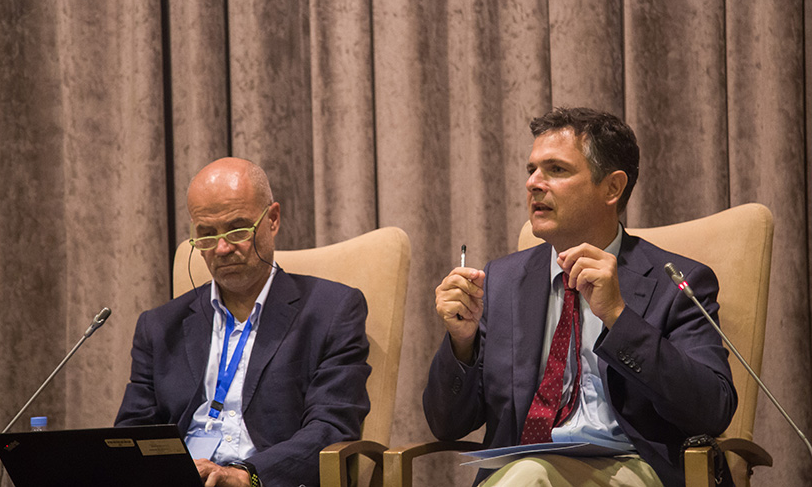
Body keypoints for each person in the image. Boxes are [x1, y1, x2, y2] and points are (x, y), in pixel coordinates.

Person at [423, 107, 736, 487]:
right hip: (522, 468)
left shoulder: (677, 283)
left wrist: (620, 317)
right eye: (532, 170)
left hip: (634, 467)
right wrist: (461, 343)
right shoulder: (503, 281)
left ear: (612, 188)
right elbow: (447, 424)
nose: (534, 184)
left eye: (556, 170)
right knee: (529, 474)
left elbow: (713, 409)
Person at [115, 157, 371, 487]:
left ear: (273, 219)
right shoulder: (159, 326)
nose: (221, 248)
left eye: (237, 230)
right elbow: (131, 435)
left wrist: (244, 476)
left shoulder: (330, 311)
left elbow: (331, 428)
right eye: (206, 235)